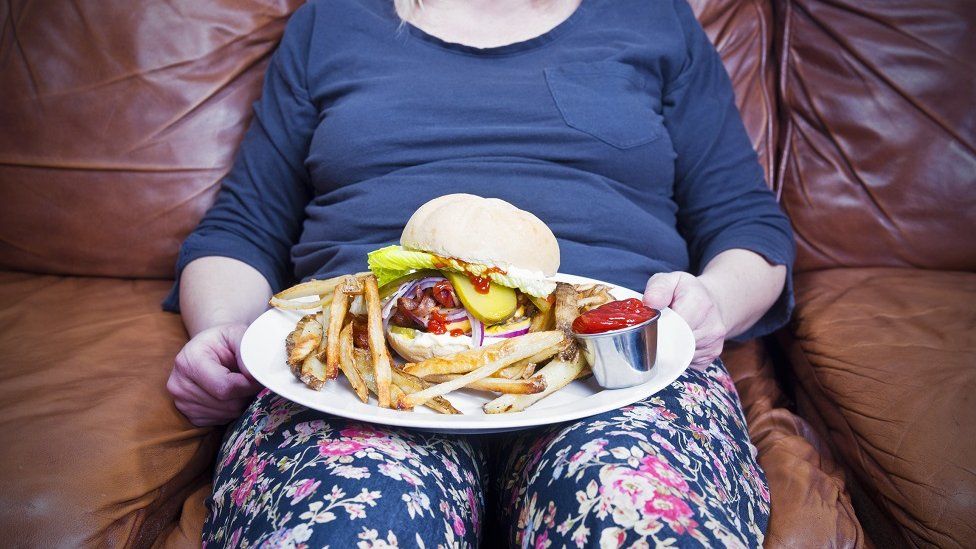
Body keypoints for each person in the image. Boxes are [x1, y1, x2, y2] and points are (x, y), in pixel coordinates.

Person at [164, 0, 793, 546]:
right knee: (354, 520)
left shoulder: (655, 19)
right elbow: (242, 229)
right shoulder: (328, 24)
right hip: (357, 380)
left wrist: (711, 298)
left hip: (611, 370)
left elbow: (750, 227)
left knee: (628, 510)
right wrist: (220, 328)